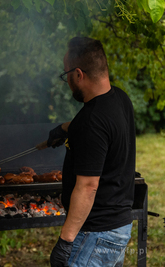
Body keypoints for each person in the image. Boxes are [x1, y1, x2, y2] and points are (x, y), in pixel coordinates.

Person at [48, 37, 136, 267]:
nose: (66, 80)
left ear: (78, 74)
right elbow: (102, 127)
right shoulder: (120, 98)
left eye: (66, 74)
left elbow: (88, 187)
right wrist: (66, 128)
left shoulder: (92, 121)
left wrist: (65, 242)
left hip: (95, 235)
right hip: (119, 228)